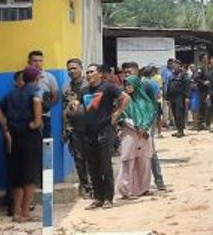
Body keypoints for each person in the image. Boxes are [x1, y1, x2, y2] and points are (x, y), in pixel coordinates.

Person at [0, 68, 43, 222]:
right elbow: (37, 117)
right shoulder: (35, 91)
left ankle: (16, 212)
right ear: (35, 79)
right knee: (29, 176)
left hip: (14, 136)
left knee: (17, 176)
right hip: (29, 135)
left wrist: (5, 124)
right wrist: (35, 123)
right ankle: (25, 213)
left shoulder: (13, 93)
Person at [80, 64, 128, 210]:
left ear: (100, 74)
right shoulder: (84, 91)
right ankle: (97, 198)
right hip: (89, 132)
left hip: (105, 131)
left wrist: (117, 113)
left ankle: (108, 198)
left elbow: (126, 98)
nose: (88, 75)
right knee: (93, 166)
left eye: (91, 72)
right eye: (87, 72)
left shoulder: (108, 87)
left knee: (105, 165)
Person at [115, 75, 156, 200]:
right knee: (128, 160)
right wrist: (136, 126)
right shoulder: (124, 101)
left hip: (144, 134)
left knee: (144, 161)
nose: (127, 88)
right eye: (126, 85)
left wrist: (145, 128)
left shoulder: (145, 101)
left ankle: (143, 188)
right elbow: (122, 117)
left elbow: (151, 114)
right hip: (130, 133)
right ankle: (126, 190)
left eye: (130, 85)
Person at [61, 59, 93, 198]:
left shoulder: (90, 85)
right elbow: (64, 110)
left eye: (74, 68)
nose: (71, 71)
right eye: (69, 69)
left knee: (93, 157)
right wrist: (65, 128)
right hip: (74, 128)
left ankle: (95, 185)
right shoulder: (65, 88)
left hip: (91, 127)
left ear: (81, 68)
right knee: (79, 158)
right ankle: (85, 186)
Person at [27, 51, 59, 138]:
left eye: (40, 61)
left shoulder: (50, 77)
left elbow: (55, 96)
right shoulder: (24, 76)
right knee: (29, 144)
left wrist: (47, 105)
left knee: (45, 143)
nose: (37, 63)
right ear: (29, 62)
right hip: (28, 116)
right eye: (34, 61)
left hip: (45, 116)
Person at [165, 62, 190, 137]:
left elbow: (187, 86)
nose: (175, 66)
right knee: (175, 114)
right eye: (174, 64)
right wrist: (167, 98)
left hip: (180, 97)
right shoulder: (171, 75)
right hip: (172, 97)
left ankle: (181, 131)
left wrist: (187, 97)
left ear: (179, 66)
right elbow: (168, 87)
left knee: (179, 113)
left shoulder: (183, 75)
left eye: (176, 64)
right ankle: (178, 129)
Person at [192, 61, 212, 132]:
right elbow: (196, 78)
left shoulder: (208, 68)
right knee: (203, 107)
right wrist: (203, 82)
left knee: (208, 107)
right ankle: (201, 124)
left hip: (208, 91)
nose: (207, 60)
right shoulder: (200, 69)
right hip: (202, 91)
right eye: (205, 58)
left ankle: (206, 123)